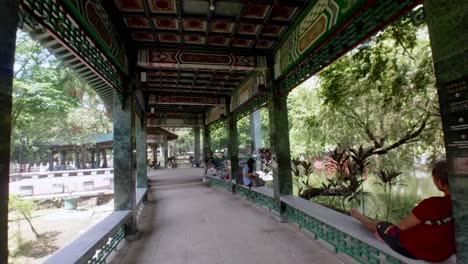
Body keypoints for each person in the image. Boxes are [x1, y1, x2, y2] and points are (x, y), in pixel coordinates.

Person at [350, 160, 455, 262]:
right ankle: (375, 222)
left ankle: (361, 218)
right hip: (444, 252)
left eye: (435, 179)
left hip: (418, 250)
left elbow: (401, 227)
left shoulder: (432, 204)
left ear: (441, 183)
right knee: (384, 223)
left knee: (382, 226)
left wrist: (388, 234)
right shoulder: (460, 204)